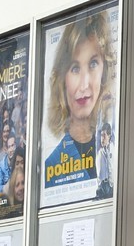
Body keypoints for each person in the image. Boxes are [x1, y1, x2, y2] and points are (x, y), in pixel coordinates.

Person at [43, 10, 114, 196]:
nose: (84, 84)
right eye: (75, 68)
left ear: (104, 70)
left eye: (93, 64)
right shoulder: (52, 166)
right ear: (62, 78)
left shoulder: (117, 149)